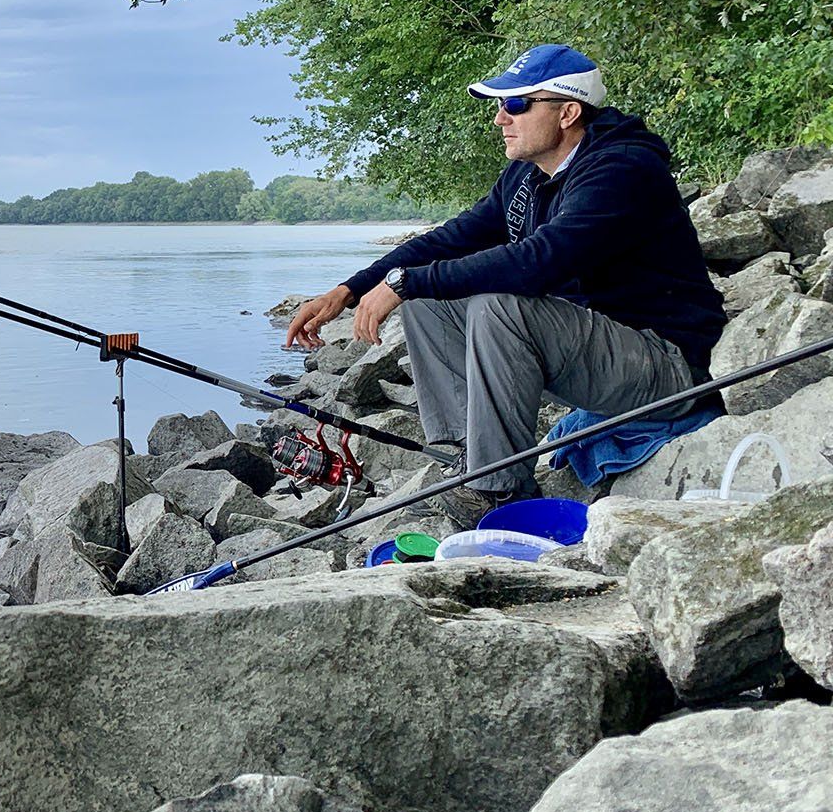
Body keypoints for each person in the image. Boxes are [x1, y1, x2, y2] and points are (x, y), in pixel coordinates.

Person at [283, 44, 727, 527]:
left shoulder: (622, 170)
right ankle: (468, 458)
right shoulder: (527, 174)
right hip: (596, 357)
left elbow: (538, 263)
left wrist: (406, 282)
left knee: (499, 305)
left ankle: (499, 491)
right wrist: (349, 290)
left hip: (666, 367)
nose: (500, 118)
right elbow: (451, 239)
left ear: (567, 113)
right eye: (499, 105)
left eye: (515, 105)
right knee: (426, 301)